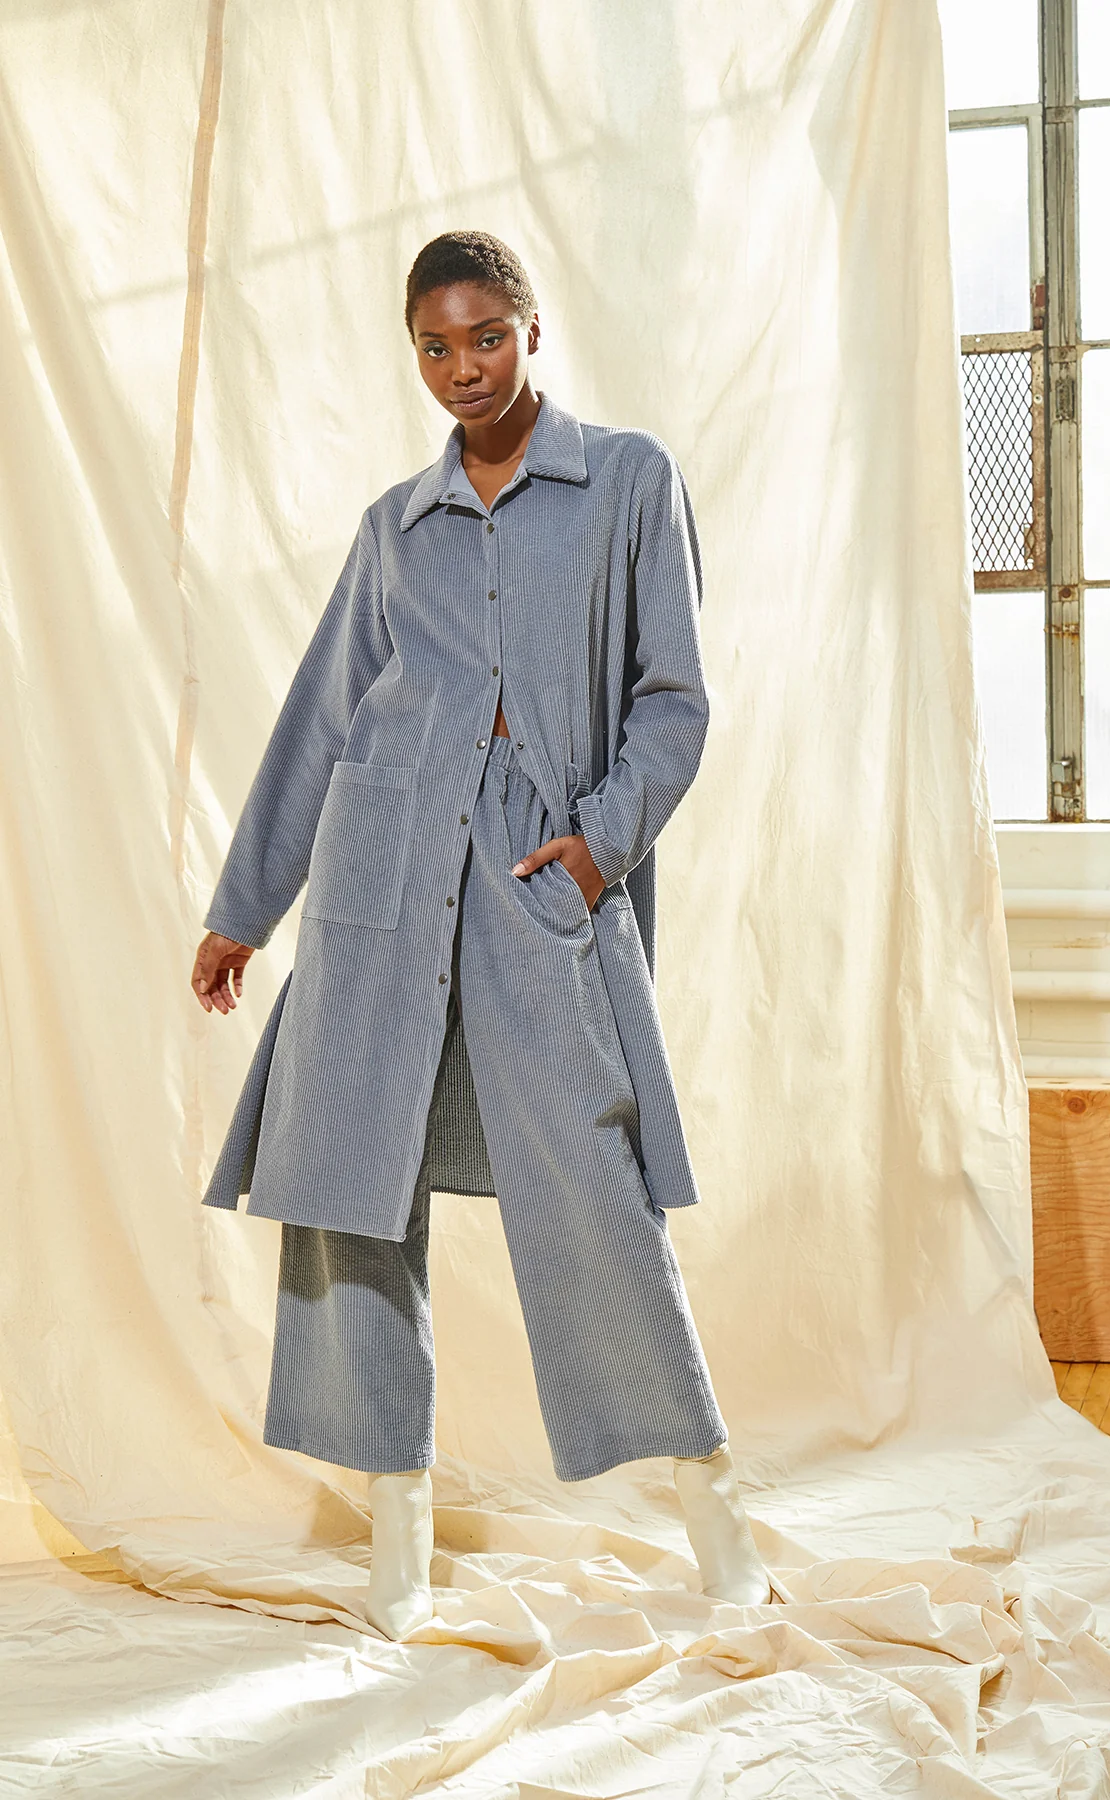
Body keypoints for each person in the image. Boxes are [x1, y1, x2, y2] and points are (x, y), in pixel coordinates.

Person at [190, 230, 775, 1638]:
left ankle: (715, 1510)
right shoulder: (397, 528)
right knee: (352, 1195)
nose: (464, 370)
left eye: (487, 338)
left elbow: (674, 695)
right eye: (436, 349)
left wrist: (598, 845)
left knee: (594, 1196)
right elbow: (326, 717)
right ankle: (394, 1525)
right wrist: (243, 910)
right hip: (379, 879)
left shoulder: (629, 480)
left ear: (531, 327)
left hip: (536, 875)